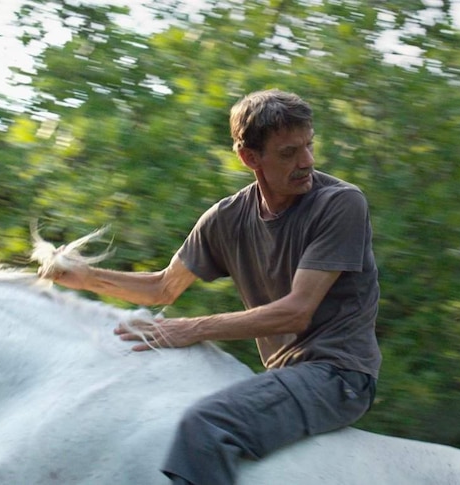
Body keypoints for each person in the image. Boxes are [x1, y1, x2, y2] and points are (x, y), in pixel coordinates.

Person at [41, 89, 381, 485]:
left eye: (308, 146)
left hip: (339, 376)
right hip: (280, 376)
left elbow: (296, 310)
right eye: (289, 153)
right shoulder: (226, 218)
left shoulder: (340, 204)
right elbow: (162, 289)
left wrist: (187, 329)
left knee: (208, 425)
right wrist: (82, 277)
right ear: (249, 158)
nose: (306, 161)